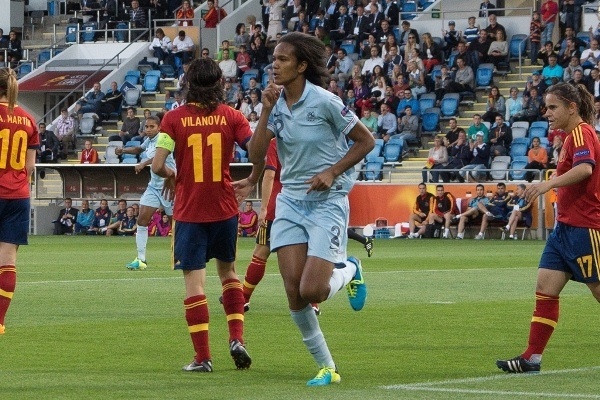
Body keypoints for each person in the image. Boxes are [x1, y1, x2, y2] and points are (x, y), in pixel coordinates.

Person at [247, 32, 374, 386]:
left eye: (283, 59)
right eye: (274, 58)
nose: (275, 64)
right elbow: (256, 155)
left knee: (313, 291)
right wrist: (265, 110)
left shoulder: (326, 102)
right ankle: (327, 367)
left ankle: (350, 268)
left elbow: (367, 140)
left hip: (327, 203)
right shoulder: (275, 104)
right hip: (290, 202)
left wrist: (332, 172)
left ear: (302, 66)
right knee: (293, 290)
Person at [151, 58, 264, 373]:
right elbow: (258, 151)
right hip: (225, 208)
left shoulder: (173, 119)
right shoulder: (233, 117)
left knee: (194, 282)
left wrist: (172, 174)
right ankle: (237, 338)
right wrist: (253, 177)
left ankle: (203, 358)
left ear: (189, 84)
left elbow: (158, 165)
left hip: (190, 211)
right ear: (220, 84)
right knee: (228, 274)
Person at [496, 82, 600, 373]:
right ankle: (531, 358)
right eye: (546, 107)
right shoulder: (570, 137)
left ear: (572, 107)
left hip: (584, 228)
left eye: (553, 107)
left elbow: (586, 169)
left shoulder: (581, 132)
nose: (547, 113)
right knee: (545, 288)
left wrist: (548, 183)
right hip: (565, 229)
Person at [0, 67, 38, 334]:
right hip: (18, 195)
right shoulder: (28, 119)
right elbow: (30, 167)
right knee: (8, 261)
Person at [117, 115, 175, 270]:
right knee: (142, 221)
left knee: (175, 225)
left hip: (170, 186)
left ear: (159, 127)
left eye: (152, 127)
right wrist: (123, 150)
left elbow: (158, 157)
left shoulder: (164, 138)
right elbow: (138, 148)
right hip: (154, 187)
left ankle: (181, 257)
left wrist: (143, 163)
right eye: (146, 127)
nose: (148, 130)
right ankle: (141, 260)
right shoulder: (149, 140)